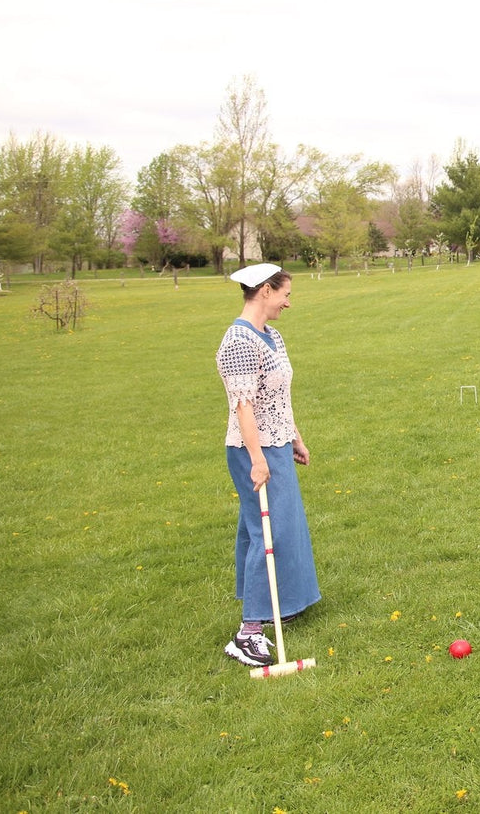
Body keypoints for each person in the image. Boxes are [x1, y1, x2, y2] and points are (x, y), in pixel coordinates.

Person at [215, 263, 320, 666]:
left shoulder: (271, 336)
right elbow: (242, 406)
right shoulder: (239, 341)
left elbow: (276, 398)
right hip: (251, 449)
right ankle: (248, 633)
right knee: (266, 532)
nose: (288, 303)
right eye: (285, 294)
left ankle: (280, 603)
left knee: (279, 525)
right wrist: (258, 460)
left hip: (276, 442)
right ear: (263, 291)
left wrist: (294, 437)